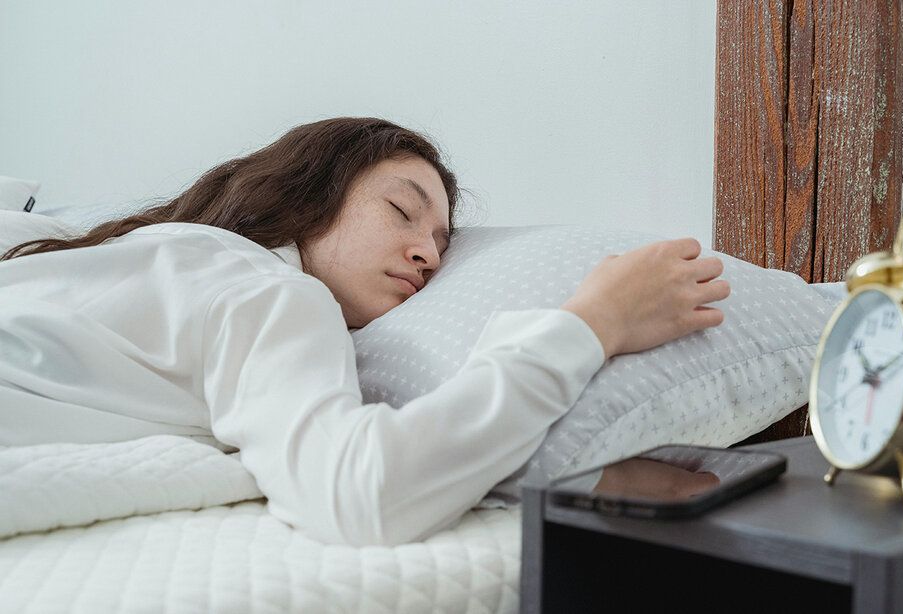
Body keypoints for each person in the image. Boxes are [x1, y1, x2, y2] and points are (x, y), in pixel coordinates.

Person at [0, 117, 730, 546]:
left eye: (444, 243)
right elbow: (360, 491)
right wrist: (593, 321)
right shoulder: (263, 291)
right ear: (307, 193)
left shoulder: (146, 253)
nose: (428, 253)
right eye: (402, 211)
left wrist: (545, 473)